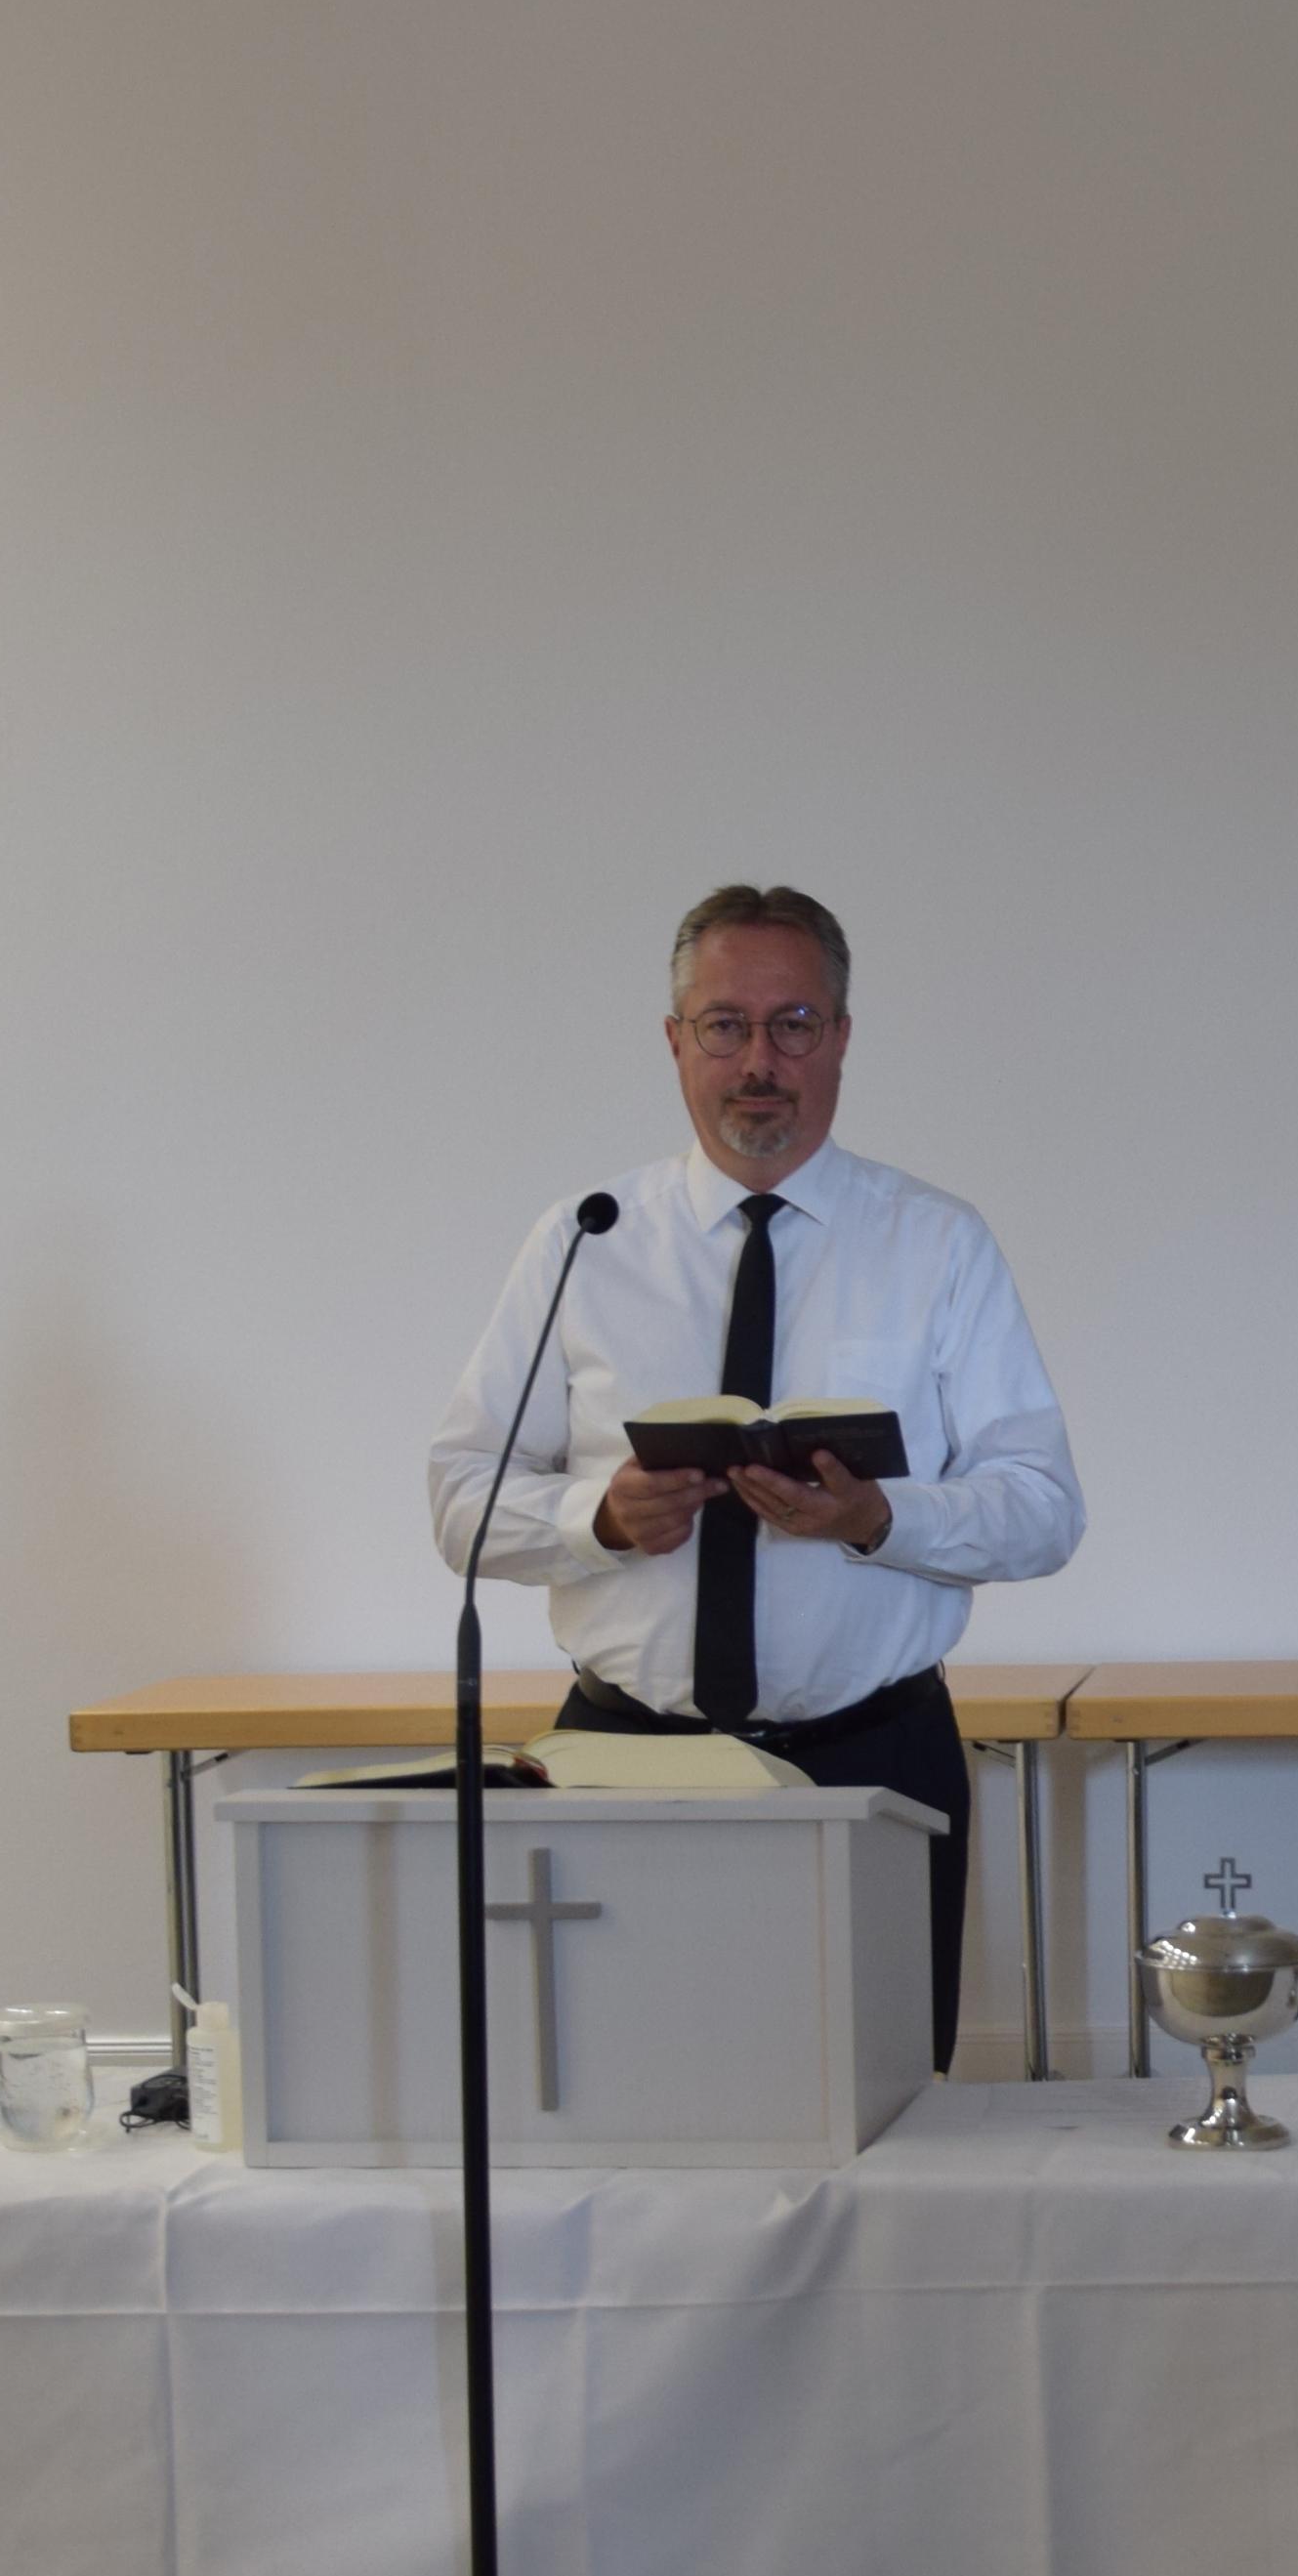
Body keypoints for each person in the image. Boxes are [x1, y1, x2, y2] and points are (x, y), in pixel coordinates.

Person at [421, 885, 1083, 2070]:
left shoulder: (937, 1242)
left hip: (873, 1760)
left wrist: (880, 1517)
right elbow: (461, 1497)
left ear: (841, 1037)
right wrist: (596, 1517)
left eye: (793, 1024)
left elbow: (1043, 1508)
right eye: (725, 1025)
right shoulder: (585, 1239)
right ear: (675, 1040)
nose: (759, 1061)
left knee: (881, 2119)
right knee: (632, 2106)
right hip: (627, 1762)